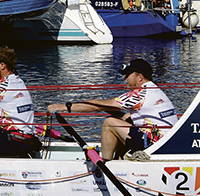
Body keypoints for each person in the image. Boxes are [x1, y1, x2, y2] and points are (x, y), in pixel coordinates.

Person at [48, 59, 177, 160]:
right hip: (165, 142)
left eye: (127, 75)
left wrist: (64, 107)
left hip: (153, 145)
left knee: (110, 123)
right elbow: (109, 107)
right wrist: (107, 108)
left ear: (140, 77)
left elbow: (97, 106)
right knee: (126, 117)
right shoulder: (155, 89)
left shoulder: (140, 93)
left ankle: (106, 163)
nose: (124, 79)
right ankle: (119, 159)